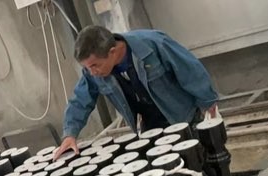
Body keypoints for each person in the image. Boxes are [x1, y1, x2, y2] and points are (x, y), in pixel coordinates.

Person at [54, 26, 219, 159]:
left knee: (202, 164)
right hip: (151, 125)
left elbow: (189, 70)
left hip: (183, 118)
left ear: (112, 52)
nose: (91, 72)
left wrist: (208, 102)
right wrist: (70, 134)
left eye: (94, 65)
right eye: (86, 68)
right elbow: (80, 100)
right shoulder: (93, 71)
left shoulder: (153, 44)